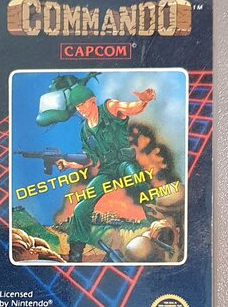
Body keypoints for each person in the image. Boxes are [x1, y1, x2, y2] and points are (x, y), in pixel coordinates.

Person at [56, 85, 156, 262]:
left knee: (138, 180)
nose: (80, 109)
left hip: (124, 163)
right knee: (81, 208)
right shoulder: (85, 131)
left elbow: (130, 108)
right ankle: (75, 255)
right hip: (107, 171)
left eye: (82, 104)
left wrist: (143, 101)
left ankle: (158, 223)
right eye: (77, 106)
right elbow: (90, 159)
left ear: (93, 101)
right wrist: (69, 164)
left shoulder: (110, 108)